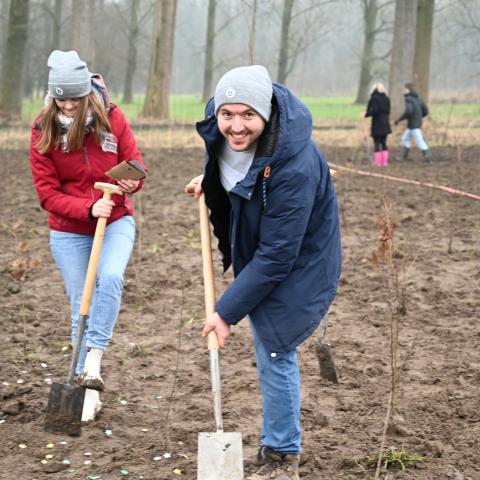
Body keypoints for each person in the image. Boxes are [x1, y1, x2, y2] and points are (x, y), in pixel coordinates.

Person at [185, 65, 341, 480]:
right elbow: (238, 170)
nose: (236, 126)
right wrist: (211, 181)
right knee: (269, 342)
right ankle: (279, 445)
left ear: (266, 114)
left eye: (247, 116)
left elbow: (277, 256)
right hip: (263, 251)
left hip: (300, 260)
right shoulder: (220, 131)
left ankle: (282, 453)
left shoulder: (295, 164)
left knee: (275, 345)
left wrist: (224, 312)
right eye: (227, 114)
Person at [29, 50, 147, 394]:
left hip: (116, 219)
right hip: (68, 229)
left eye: (75, 100)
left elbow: (135, 162)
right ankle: (83, 387)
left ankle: (94, 357)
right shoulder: (42, 129)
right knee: (81, 301)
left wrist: (132, 182)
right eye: (61, 100)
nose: (68, 107)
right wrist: (86, 208)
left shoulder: (112, 118)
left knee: (110, 278)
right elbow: (47, 195)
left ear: (87, 93)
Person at [394, 82, 432, 163]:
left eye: (405, 89)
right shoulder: (418, 99)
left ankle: (428, 157)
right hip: (414, 124)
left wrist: (399, 120)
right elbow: (425, 110)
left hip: (414, 125)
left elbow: (408, 111)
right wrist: (419, 117)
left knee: (419, 141)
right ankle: (404, 157)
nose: (403, 91)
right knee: (405, 138)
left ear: (408, 90)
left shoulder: (408, 99)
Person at [364, 82, 392, 166]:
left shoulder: (374, 98)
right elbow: (388, 110)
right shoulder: (387, 98)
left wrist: (366, 114)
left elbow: (374, 111)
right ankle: (385, 162)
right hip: (386, 123)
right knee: (384, 143)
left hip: (377, 124)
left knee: (377, 142)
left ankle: (378, 162)